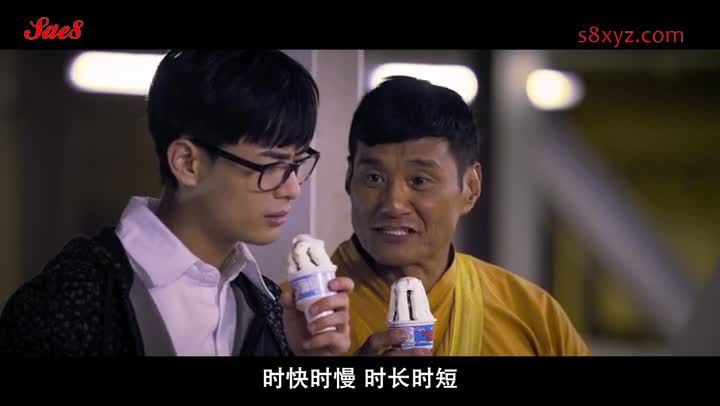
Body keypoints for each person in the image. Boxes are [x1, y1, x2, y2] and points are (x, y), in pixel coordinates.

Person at [0, 50, 353, 356]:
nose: (292, 189)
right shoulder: (73, 299)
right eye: (271, 166)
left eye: (296, 163)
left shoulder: (269, 307)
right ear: (187, 163)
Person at [331, 76, 590, 356]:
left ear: (470, 188)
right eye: (373, 177)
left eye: (419, 180)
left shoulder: (532, 315)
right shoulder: (305, 316)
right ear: (349, 178)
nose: (393, 204)